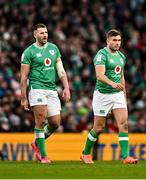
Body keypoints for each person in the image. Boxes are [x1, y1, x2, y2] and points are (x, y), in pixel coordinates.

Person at [80, 29, 138, 164]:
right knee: (98, 127)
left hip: (117, 95)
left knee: (123, 124)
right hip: (102, 95)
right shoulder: (101, 55)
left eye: (119, 40)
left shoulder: (122, 57)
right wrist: (112, 84)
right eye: (114, 40)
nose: (117, 43)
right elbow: (99, 75)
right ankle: (86, 153)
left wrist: (124, 95)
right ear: (108, 41)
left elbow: (121, 77)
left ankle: (126, 157)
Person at [20, 24, 70, 163]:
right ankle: (43, 155)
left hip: (52, 89)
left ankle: (36, 143)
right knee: (41, 121)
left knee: (55, 123)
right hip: (37, 88)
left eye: (46, 32)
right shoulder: (28, 52)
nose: (45, 35)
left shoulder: (53, 48)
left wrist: (66, 87)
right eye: (41, 33)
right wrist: (24, 97)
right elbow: (24, 77)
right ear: (35, 35)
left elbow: (61, 70)